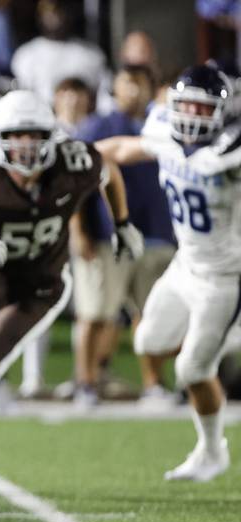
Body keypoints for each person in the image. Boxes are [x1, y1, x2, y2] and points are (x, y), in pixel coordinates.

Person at [0, 90, 143, 492]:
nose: (25, 146)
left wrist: (122, 223)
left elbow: (108, 168)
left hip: (37, 286)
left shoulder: (73, 163)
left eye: (34, 135)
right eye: (16, 136)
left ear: (51, 135)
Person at [95, 64, 239, 482]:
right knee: (148, 341)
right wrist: (77, 155)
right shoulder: (162, 129)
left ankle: (212, 451)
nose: (192, 115)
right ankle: (230, 335)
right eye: (186, 105)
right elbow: (121, 150)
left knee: (192, 370)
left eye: (203, 107)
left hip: (224, 278)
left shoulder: (230, 149)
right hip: (184, 267)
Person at [70, 65, 176, 408]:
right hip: (106, 234)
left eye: (141, 83)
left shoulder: (163, 125)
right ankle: (85, 382)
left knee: (151, 315)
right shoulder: (99, 126)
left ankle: (152, 384)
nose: (134, 91)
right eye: (127, 83)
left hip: (155, 235)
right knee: (95, 313)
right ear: (115, 87)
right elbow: (76, 180)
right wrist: (78, 229)